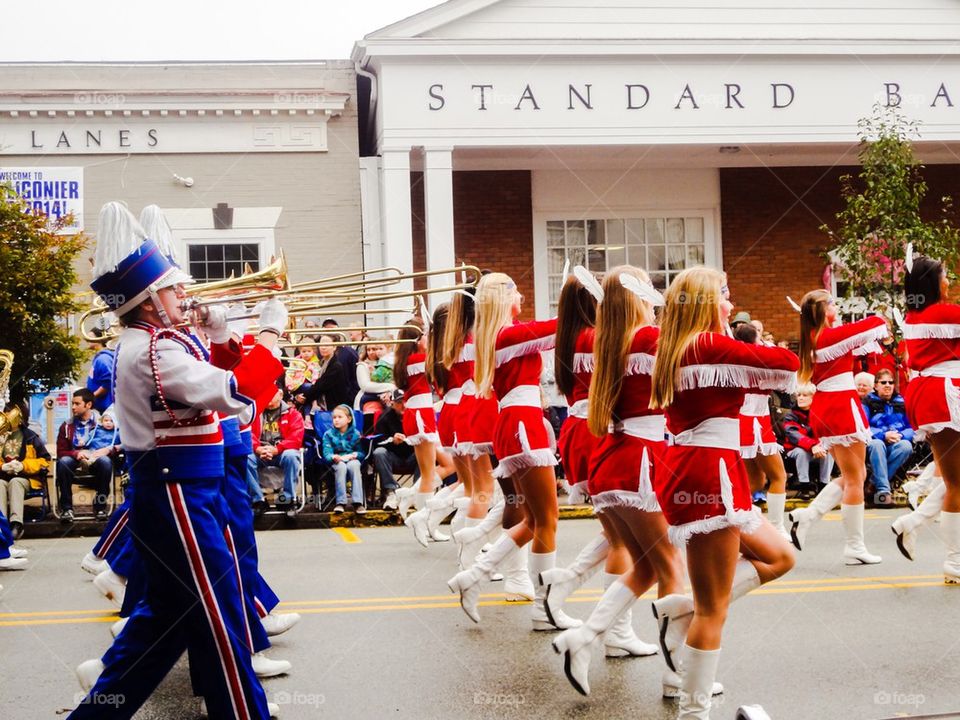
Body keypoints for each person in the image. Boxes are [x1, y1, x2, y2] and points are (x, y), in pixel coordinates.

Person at [70, 200, 286, 719]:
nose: (185, 295)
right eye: (172, 289)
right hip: (178, 493)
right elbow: (233, 390)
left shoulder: (156, 340)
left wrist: (216, 334)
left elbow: (205, 372)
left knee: (165, 620)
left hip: (184, 489)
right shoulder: (153, 349)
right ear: (148, 303)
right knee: (218, 615)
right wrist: (272, 334)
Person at [648, 268, 798, 719]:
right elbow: (785, 366)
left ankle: (681, 612)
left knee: (782, 556)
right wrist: (762, 342)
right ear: (705, 303)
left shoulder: (678, 347)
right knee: (714, 611)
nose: (730, 306)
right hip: (710, 472)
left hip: (702, 467)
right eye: (724, 296)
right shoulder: (707, 345)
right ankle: (694, 711)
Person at [550, 267, 679, 698]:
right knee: (670, 566)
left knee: (645, 563)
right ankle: (680, 675)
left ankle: (586, 636)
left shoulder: (606, 338)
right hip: (640, 460)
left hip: (613, 458)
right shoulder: (643, 338)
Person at [447, 272, 579, 630]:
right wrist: (575, 293)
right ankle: (543, 607)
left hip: (515, 422)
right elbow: (560, 327)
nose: (522, 294)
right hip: (522, 424)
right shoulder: (507, 335)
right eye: (516, 290)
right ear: (504, 298)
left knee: (534, 519)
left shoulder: (501, 334)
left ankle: (476, 575)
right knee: (546, 520)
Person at [787, 291, 888, 565]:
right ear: (820, 311)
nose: (836, 305)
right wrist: (881, 313)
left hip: (832, 404)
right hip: (840, 405)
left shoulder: (819, 336)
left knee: (853, 473)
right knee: (856, 478)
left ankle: (808, 516)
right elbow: (873, 324)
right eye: (831, 302)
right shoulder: (827, 336)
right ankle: (854, 545)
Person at [892, 255, 960, 582]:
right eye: (945, 276)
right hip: (944, 395)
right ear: (933, 282)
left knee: (954, 478)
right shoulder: (943, 313)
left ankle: (913, 522)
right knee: (957, 482)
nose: (949, 281)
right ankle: (955, 561)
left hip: (930, 394)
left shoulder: (915, 313)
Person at [733, 322, 790, 537]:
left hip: (746, 421)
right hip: (755, 422)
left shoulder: (736, 358)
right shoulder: (761, 358)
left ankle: (740, 524)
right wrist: (765, 343)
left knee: (754, 482)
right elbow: (786, 360)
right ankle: (776, 527)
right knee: (778, 476)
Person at [56, 388, 113, 522]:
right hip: (74, 458)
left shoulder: (104, 422)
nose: (73, 407)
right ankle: (66, 508)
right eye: (72, 404)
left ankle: (100, 507)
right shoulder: (67, 425)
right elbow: (61, 451)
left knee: (106, 462)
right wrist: (75, 453)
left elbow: (115, 440)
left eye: (77, 404)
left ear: (88, 405)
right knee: (63, 462)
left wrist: (107, 450)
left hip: (96, 458)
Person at [247, 387, 305, 512]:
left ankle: (288, 498)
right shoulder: (254, 413)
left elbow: (296, 438)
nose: (266, 397)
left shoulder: (293, 414)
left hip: (281, 452)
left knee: (291, 456)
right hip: (260, 452)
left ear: (280, 394)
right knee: (246, 459)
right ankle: (258, 499)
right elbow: (247, 433)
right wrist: (257, 448)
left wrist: (277, 449)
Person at [863, 368, 914, 507]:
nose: (887, 385)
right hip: (875, 443)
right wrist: (883, 435)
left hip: (896, 442)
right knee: (877, 444)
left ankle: (872, 483)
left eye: (890, 382)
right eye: (883, 382)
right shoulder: (867, 402)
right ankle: (883, 493)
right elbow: (864, 426)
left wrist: (902, 435)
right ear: (875, 385)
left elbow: (912, 427)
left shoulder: (902, 401)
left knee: (906, 446)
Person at [0, 403, 49, 539]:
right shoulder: (1, 436)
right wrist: (2, 466)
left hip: (26, 478)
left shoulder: (30, 436)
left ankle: (16, 523)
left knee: (16, 482)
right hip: (3, 476)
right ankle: (1, 525)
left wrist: (23, 466)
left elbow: (45, 460)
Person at [782, 384, 836, 499]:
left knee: (830, 450)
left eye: (805, 395)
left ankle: (824, 485)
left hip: (816, 450)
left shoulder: (821, 413)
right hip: (792, 451)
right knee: (802, 452)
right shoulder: (790, 416)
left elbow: (825, 433)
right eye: (799, 395)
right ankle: (804, 486)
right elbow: (794, 435)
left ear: (814, 398)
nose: (800, 398)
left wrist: (819, 445)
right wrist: (813, 445)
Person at [369, 389, 418, 510]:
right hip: (392, 456)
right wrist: (392, 439)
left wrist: (412, 439)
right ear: (392, 403)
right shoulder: (384, 416)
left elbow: (426, 440)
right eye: (400, 402)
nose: (404, 405)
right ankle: (391, 492)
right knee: (379, 453)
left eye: (406, 401)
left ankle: (416, 492)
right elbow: (377, 441)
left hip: (413, 455)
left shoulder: (416, 415)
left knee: (425, 453)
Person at [323, 404, 366, 514]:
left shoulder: (356, 434)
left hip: (351, 459)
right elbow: (326, 453)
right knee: (341, 466)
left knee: (355, 465)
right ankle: (340, 502)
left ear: (349, 419)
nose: (336, 420)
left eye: (340, 417)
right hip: (336, 462)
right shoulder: (328, 434)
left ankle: (358, 502)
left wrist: (356, 454)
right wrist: (333, 456)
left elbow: (362, 453)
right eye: (334, 417)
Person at [296, 334, 353, 411]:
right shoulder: (321, 362)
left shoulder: (336, 366)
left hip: (334, 408)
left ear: (334, 347)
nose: (323, 347)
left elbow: (320, 386)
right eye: (321, 344)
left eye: (327, 345)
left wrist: (304, 397)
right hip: (324, 406)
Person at [85, 329, 116, 414]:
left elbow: (108, 382)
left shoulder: (103, 359)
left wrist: (91, 396)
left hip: (107, 408)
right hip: (103, 408)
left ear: (99, 339)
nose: (87, 340)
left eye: (90, 337)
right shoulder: (99, 358)